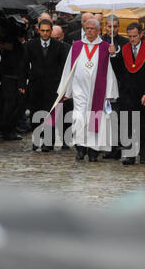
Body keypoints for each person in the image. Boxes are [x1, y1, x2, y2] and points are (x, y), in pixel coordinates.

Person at [57, 18, 118, 162]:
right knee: (79, 118)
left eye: (92, 28)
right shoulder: (77, 46)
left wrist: (113, 54)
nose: (89, 31)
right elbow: (68, 69)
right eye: (87, 28)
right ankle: (80, 149)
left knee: (96, 119)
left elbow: (109, 71)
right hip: (80, 90)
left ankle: (93, 151)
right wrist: (66, 90)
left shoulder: (105, 46)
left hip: (98, 91)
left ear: (98, 31)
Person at [19, 19, 68, 151]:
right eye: (42, 31)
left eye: (47, 31)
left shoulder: (59, 46)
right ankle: (36, 138)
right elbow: (24, 65)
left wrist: (63, 86)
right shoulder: (31, 45)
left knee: (50, 113)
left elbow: (64, 67)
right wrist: (22, 83)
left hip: (53, 86)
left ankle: (48, 141)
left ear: (51, 31)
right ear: (38, 30)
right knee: (35, 112)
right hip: (36, 85)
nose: (45, 33)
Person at [120, 22, 145, 165]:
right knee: (127, 124)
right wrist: (113, 55)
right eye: (129, 37)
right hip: (127, 93)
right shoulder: (124, 50)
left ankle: (143, 153)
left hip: (143, 94)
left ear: (141, 34)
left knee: (142, 125)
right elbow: (119, 71)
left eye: (134, 36)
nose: (132, 39)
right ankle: (129, 154)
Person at [102, 15, 129, 159]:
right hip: (102, 85)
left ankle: (117, 146)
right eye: (109, 26)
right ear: (105, 26)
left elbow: (125, 65)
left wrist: (115, 55)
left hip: (119, 85)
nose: (112, 29)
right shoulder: (99, 41)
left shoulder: (124, 43)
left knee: (116, 116)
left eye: (115, 26)